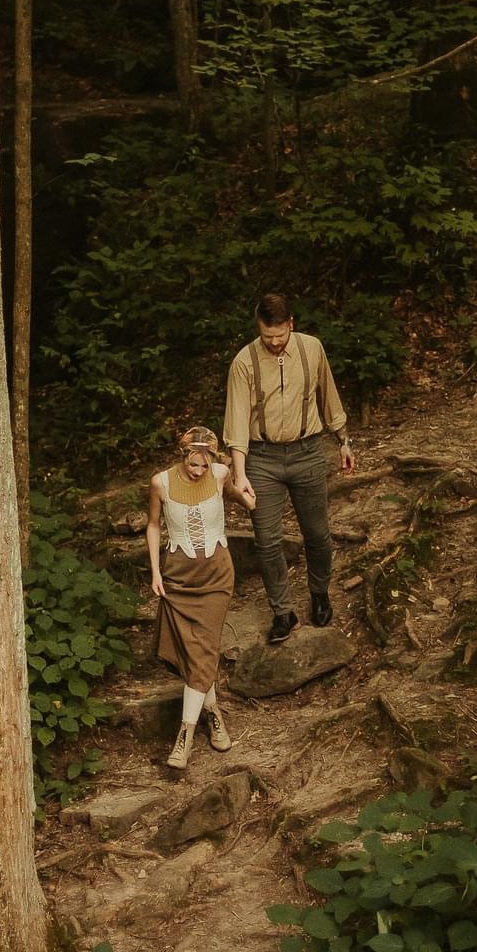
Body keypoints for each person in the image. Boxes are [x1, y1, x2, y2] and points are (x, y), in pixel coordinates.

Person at [224, 293, 355, 644]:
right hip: (262, 458)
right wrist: (240, 475)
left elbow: (330, 396)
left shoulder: (312, 349)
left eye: (280, 335)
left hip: (309, 452)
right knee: (267, 542)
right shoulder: (244, 362)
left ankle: (319, 594)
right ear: (259, 328)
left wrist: (343, 439)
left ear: (291, 324)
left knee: (317, 534)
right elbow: (236, 423)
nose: (275, 342)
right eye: (268, 336)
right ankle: (283, 612)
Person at [146, 425, 257, 772]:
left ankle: (185, 735)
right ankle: (213, 711)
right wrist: (155, 572)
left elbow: (236, 492)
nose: (197, 472)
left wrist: (247, 497)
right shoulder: (160, 482)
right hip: (179, 576)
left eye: (203, 465)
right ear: (182, 458)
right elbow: (153, 526)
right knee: (194, 651)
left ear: (212, 460)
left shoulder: (221, 472)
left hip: (217, 574)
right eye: (192, 465)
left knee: (205, 646)